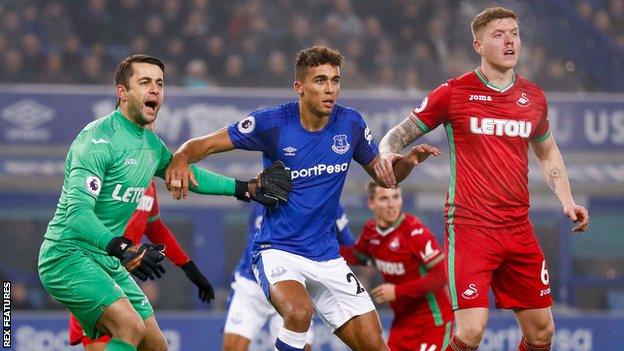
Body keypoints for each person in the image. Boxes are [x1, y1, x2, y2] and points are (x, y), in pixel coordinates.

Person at [166, 45, 439, 350]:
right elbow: (205, 144)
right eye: (320, 80)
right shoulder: (272, 123)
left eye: (335, 80)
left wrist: (407, 164)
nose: (330, 89)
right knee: (299, 313)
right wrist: (181, 156)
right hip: (278, 249)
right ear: (299, 87)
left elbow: (384, 176)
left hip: (326, 256)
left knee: (376, 346)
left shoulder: (351, 123)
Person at [38, 54, 291, 351]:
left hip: (106, 260)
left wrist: (243, 188)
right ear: (122, 92)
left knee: (156, 346)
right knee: (129, 326)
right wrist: (123, 247)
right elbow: (77, 215)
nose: (155, 90)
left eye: (159, 83)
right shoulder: (96, 140)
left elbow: (185, 174)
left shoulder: (150, 144)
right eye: (144, 82)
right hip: (67, 256)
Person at [374, 7, 590, 351]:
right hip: (470, 228)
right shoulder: (454, 93)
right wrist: (386, 153)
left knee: (541, 333)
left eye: (515, 33)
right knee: (472, 330)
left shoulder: (533, 98)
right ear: (478, 44)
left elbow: (547, 151)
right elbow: (396, 135)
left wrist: (567, 200)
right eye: (499, 34)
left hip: (518, 229)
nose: (510, 41)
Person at [68, 177, 214, 350]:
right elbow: (81, 217)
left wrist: (188, 267)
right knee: (109, 341)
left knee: (157, 347)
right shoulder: (110, 173)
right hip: (94, 272)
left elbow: (154, 228)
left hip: (121, 278)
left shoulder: (148, 181)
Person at [223, 202, 355, 351]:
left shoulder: (327, 192)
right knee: (232, 348)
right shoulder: (266, 184)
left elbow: (349, 244)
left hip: (293, 285)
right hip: (252, 283)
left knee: (302, 347)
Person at [341, 181, 453, 351]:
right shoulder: (371, 232)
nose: (392, 204)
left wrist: (397, 292)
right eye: (384, 198)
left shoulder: (415, 232)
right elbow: (356, 256)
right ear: (371, 203)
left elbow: (441, 275)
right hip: (402, 324)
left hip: (432, 323)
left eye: (396, 197)